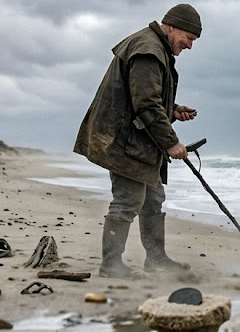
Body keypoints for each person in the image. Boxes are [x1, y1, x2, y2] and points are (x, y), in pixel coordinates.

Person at [73, 4, 203, 278]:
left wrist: (173, 110)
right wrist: (171, 142)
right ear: (171, 27)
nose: (190, 46)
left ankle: (156, 258)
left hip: (137, 140)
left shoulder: (155, 46)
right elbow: (145, 104)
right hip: (124, 141)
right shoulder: (148, 49)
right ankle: (110, 264)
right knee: (128, 199)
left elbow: (145, 99)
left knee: (153, 198)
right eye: (189, 39)